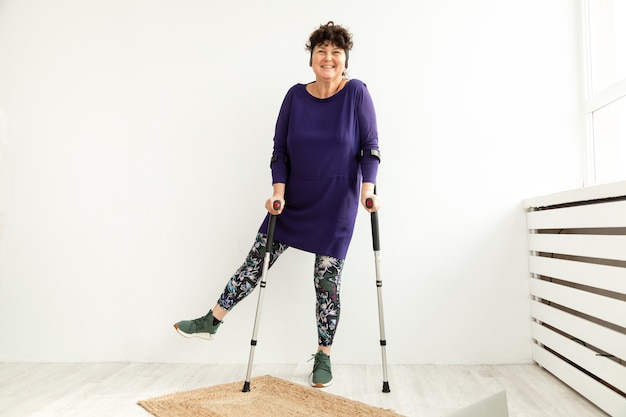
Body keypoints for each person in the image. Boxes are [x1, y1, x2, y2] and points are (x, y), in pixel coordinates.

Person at [174, 21, 381, 388]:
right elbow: (280, 152)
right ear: (311, 58)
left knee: (326, 283)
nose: (328, 58)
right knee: (257, 260)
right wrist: (278, 191)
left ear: (345, 58)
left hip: (337, 204)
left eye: (336, 52)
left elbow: (370, 148)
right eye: (321, 51)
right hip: (294, 198)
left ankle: (323, 356)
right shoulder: (295, 97)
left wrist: (368, 190)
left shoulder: (357, 94)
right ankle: (213, 320)